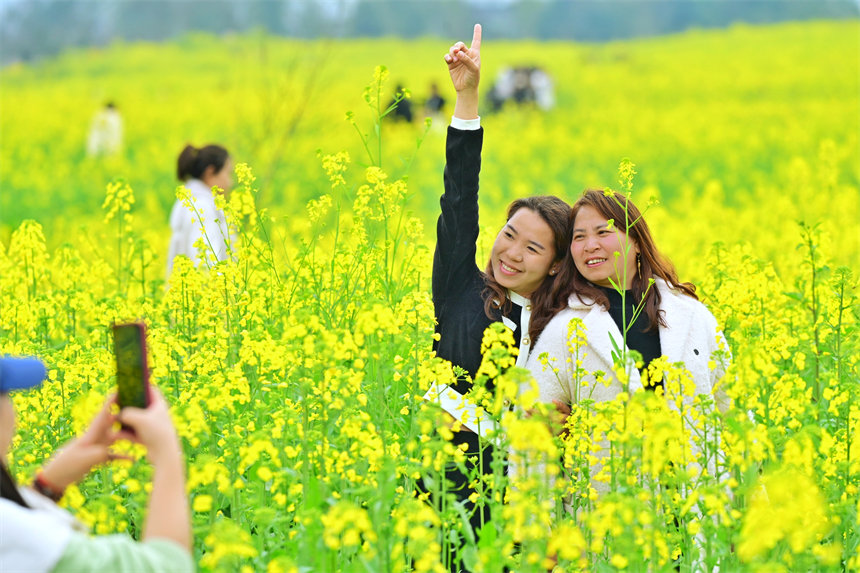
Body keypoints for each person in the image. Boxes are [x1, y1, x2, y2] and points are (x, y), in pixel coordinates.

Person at [420, 24, 572, 572]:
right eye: (509, 235)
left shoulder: (565, 325)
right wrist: (466, 97)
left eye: (532, 247)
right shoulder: (462, 289)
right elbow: (459, 197)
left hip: (530, 514)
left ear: (555, 264)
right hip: (447, 504)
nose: (511, 253)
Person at [523, 189, 731, 496]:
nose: (590, 245)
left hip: (698, 507)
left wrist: (754, 505)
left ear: (636, 241)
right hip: (611, 511)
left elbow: (732, 413)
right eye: (579, 237)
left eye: (603, 232)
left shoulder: (692, 316)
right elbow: (531, 441)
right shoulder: (565, 329)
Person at [0, 355, 192, 573]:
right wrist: (167, 452)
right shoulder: (17, 536)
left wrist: (46, 487)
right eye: (5, 394)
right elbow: (167, 566)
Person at [166, 143, 235, 279]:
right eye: (228, 174)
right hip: (205, 290)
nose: (230, 183)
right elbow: (206, 263)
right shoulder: (202, 208)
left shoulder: (190, 201)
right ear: (210, 173)